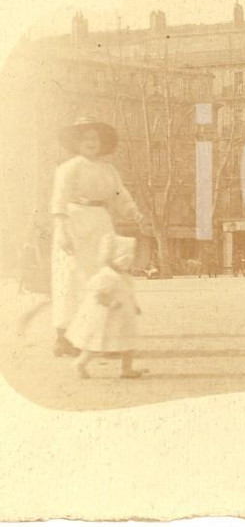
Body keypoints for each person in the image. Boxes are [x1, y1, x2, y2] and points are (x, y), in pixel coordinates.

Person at [50, 116, 149, 358]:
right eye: (85, 139)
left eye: (94, 138)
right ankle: (63, 337)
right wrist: (62, 230)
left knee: (101, 278)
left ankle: (98, 338)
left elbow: (121, 195)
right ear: (76, 143)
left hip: (101, 223)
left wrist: (135, 213)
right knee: (71, 277)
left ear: (102, 142)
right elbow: (59, 200)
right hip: (75, 222)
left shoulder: (108, 170)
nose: (90, 143)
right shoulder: (69, 168)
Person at [66, 233, 147, 379]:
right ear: (117, 258)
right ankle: (80, 363)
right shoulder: (106, 275)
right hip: (108, 319)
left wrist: (135, 305)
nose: (130, 261)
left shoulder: (124, 275)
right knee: (96, 346)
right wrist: (109, 303)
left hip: (124, 318)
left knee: (129, 344)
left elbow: (129, 293)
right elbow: (97, 295)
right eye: (127, 257)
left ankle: (126, 369)